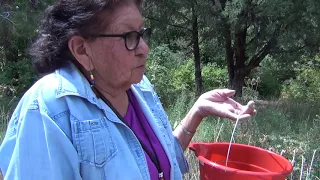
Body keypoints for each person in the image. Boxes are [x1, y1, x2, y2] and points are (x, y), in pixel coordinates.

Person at [0, 0, 256, 179]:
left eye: (141, 34)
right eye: (128, 37)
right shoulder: (49, 109)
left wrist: (197, 111)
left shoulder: (139, 88)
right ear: (81, 49)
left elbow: (157, 164)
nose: (144, 48)